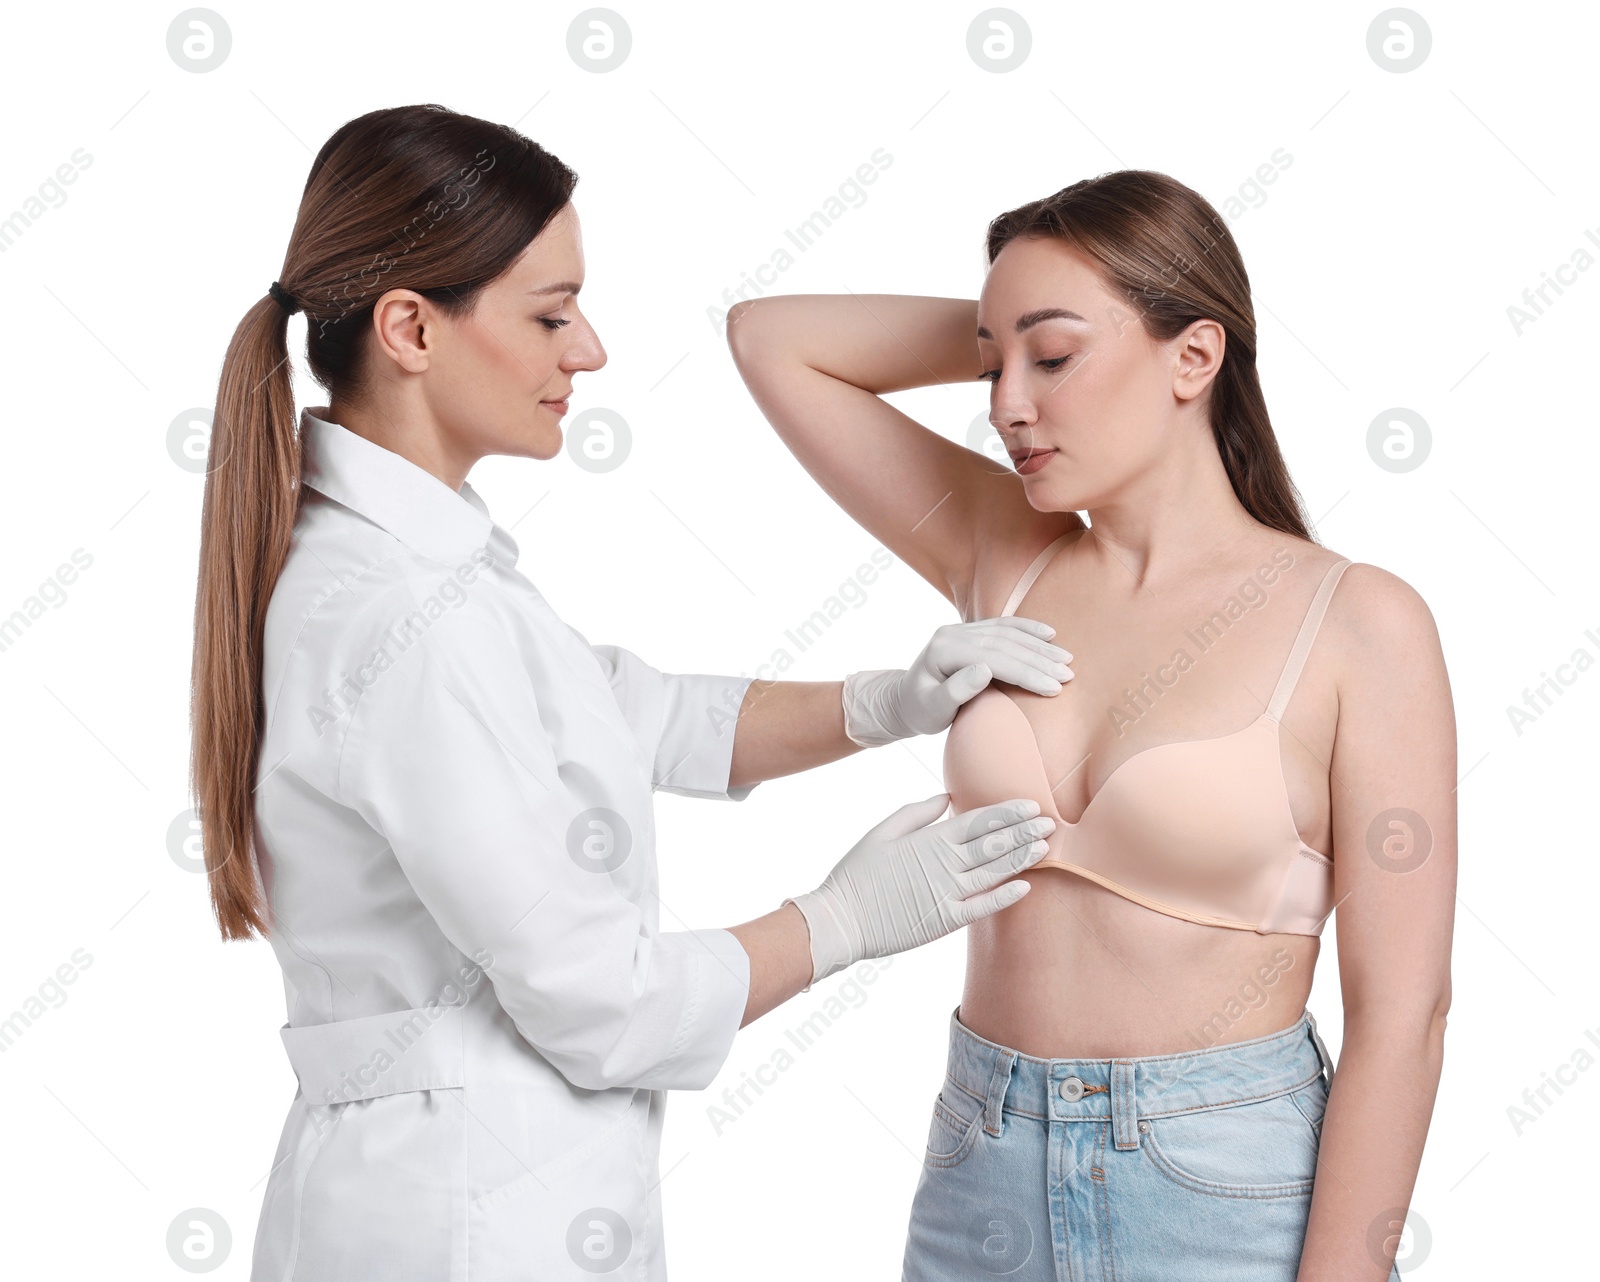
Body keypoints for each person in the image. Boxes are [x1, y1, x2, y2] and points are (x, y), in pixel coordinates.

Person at [188, 103, 1080, 1281]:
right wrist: (843, 919)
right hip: (458, 1226)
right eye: (551, 312)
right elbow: (602, 1002)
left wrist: (882, 702)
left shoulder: (421, 568)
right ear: (410, 327)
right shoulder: (399, 623)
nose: (590, 349)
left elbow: (621, 710)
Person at [725, 169, 1455, 1282]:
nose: (1005, 403)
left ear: (1194, 356)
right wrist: (1015, 318)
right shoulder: (1002, 553)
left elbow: (1403, 1010)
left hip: (1227, 1180)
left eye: (1052, 359)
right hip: (983, 1159)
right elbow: (769, 338)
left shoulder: (1357, 620)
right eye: (988, 366)